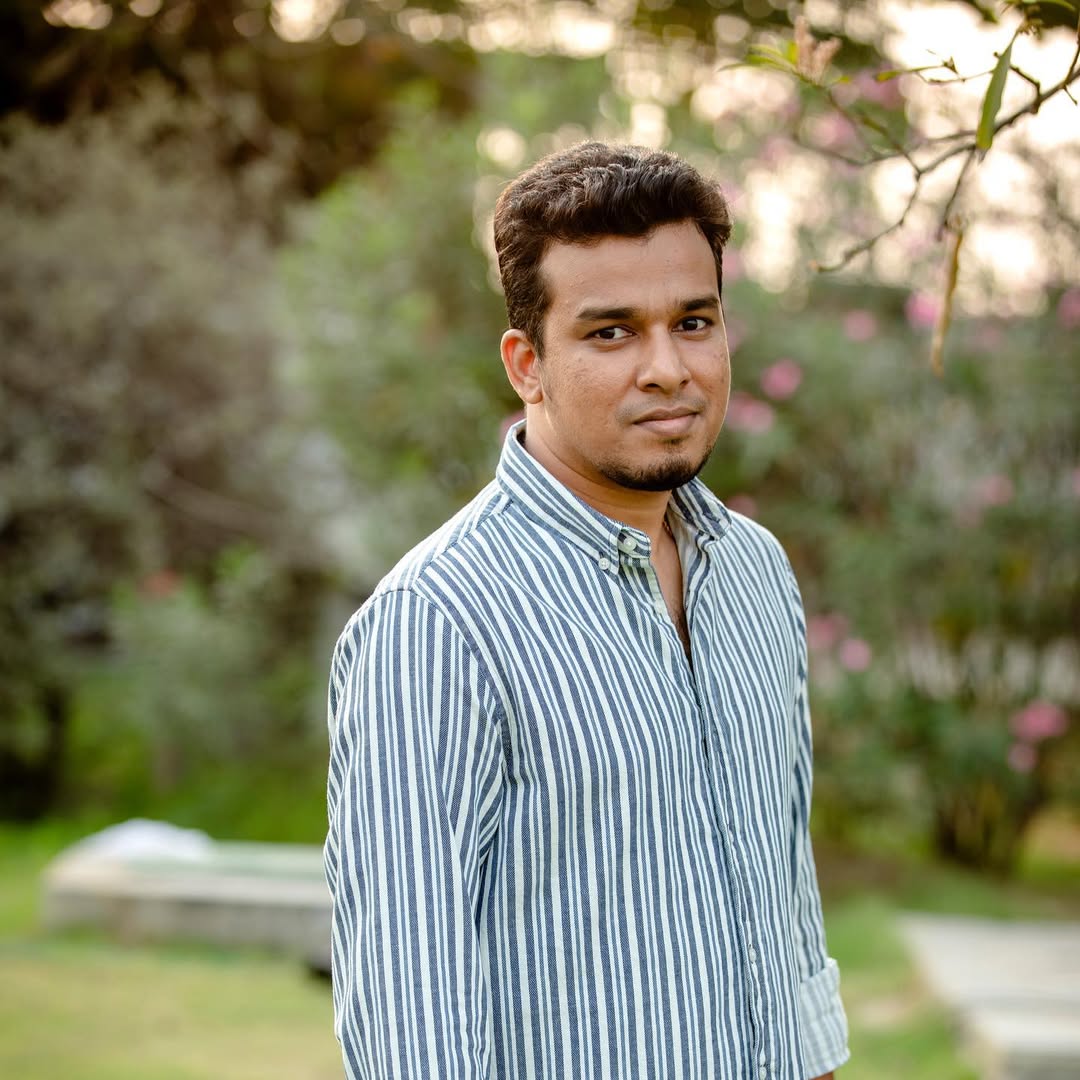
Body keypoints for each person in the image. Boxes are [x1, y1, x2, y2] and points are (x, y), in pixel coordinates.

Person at [324, 142, 849, 1080]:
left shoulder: (755, 574)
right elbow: (410, 1013)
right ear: (527, 364)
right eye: (611, 333)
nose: (667, 369)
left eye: (693, 322)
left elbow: (784, 902)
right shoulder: (438, 624)